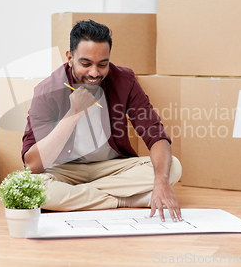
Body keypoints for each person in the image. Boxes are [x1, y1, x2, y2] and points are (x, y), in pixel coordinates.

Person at [22, 20, 182, 222]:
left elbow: (154, 133)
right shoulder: (47, 90)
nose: (94, 73)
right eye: (86, 64)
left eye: (102, 64)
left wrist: (161, 181)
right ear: (70, 58)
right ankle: (125, 201)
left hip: (111, 168)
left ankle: (78, 197)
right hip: (66, 170)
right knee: (33, 187)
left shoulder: (124, 81)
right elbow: (32, 165)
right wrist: (73, 114)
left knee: (173, 167)